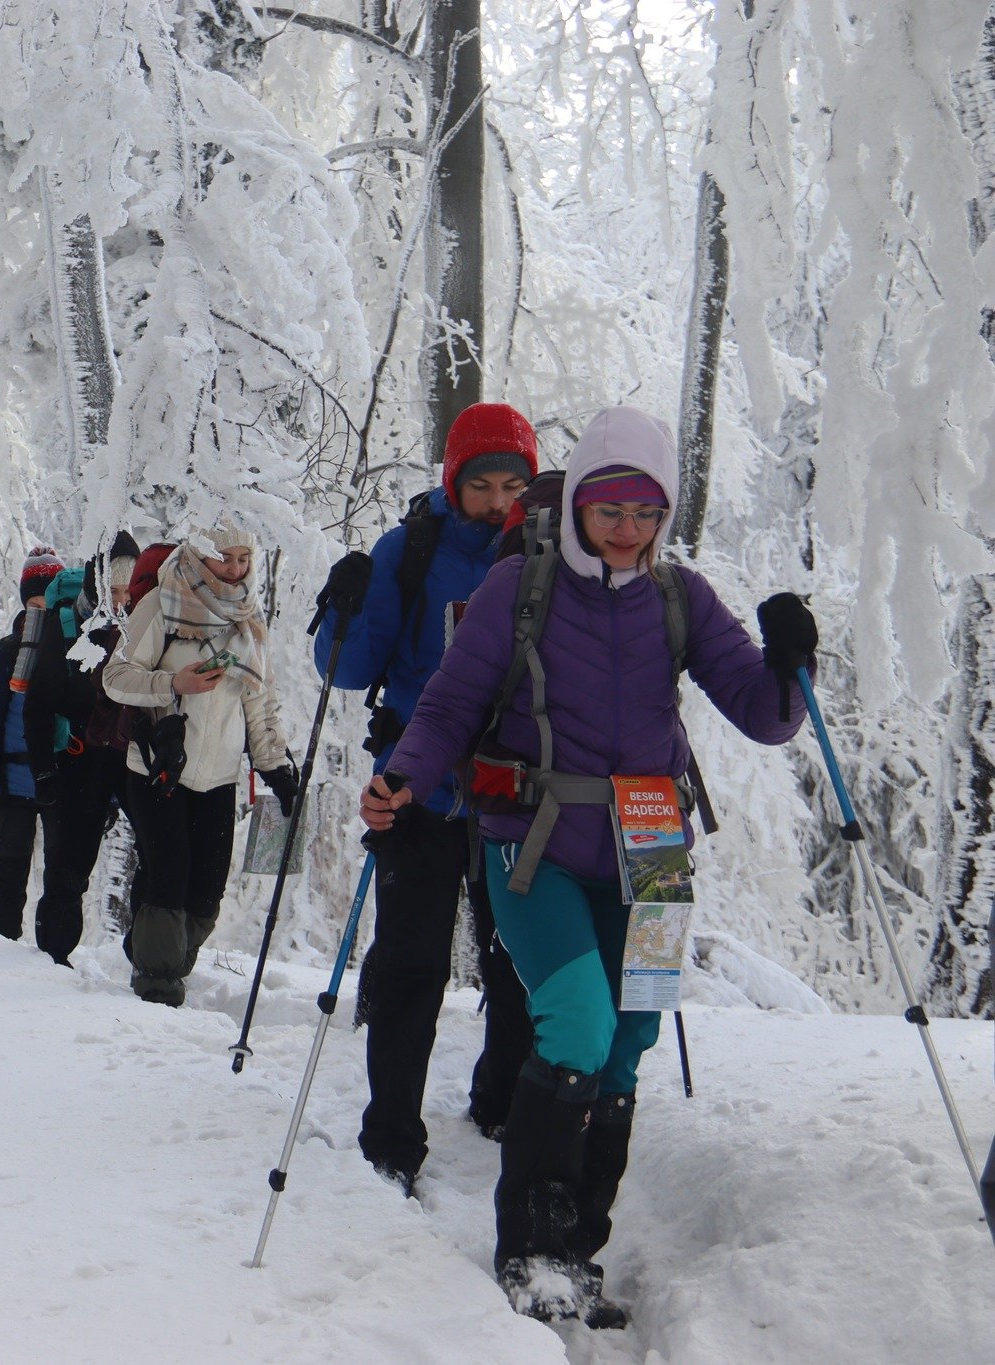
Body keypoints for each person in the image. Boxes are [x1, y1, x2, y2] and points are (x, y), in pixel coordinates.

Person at [363, 405, 814, 1327]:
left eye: (647, 512)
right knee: (573, 1019)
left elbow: (764, 716)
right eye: (610, 508)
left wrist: (792, 658)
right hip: (535, 842)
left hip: (650, 852)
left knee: (628, 1041)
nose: (627, 529)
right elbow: (449, 705)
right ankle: (531, 1246)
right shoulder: (517, 590)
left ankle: (579, 1250)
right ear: (576, 507)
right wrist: (400, 777)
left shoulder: (681, 598)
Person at [313, 402, 539, 1195]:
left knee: (518, 961)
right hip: (418, 788)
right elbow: (345, 670)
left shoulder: (550, 555)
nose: (500, 500)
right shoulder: (409, 551)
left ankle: (503, 1101)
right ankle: (391, 1136)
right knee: (413, 963)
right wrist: (339, 608)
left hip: (518, 793)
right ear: (455, 480)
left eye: (516, 483)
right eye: (484, 484)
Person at [103, 522, 294, 1006]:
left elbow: (260, 703)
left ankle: (157, 956)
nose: (235, 570)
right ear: (199, 556)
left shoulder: (248, 622)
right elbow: (116, 677)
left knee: (207, 889)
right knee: (169, 876)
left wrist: (275, 766)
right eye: (224, 558)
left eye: (243, 559)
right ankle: (156, 988)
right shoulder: (163, 604)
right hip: (157, 770)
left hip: (220, 776)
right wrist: (173, 685)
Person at [26, 532, 142, 965]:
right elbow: (38, 704)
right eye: (112, 589)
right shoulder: (68, 627)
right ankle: (55, 955)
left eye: (128, 589)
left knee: (155, 849)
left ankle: (145, 953)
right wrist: (43, 769)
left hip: (126, 757)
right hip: (76, 761)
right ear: (96, 587)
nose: (121, 598)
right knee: (69, 865)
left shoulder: (142, 628)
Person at [0, 550, 69, 943]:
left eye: (50, 602)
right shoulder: (9, 652)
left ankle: (54, 952)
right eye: (34, 603)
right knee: (10, 872)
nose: (42, 611)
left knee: (61, 874)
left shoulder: (76, 650)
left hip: (59, 780)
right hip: (11, 786)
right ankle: (2, 947)